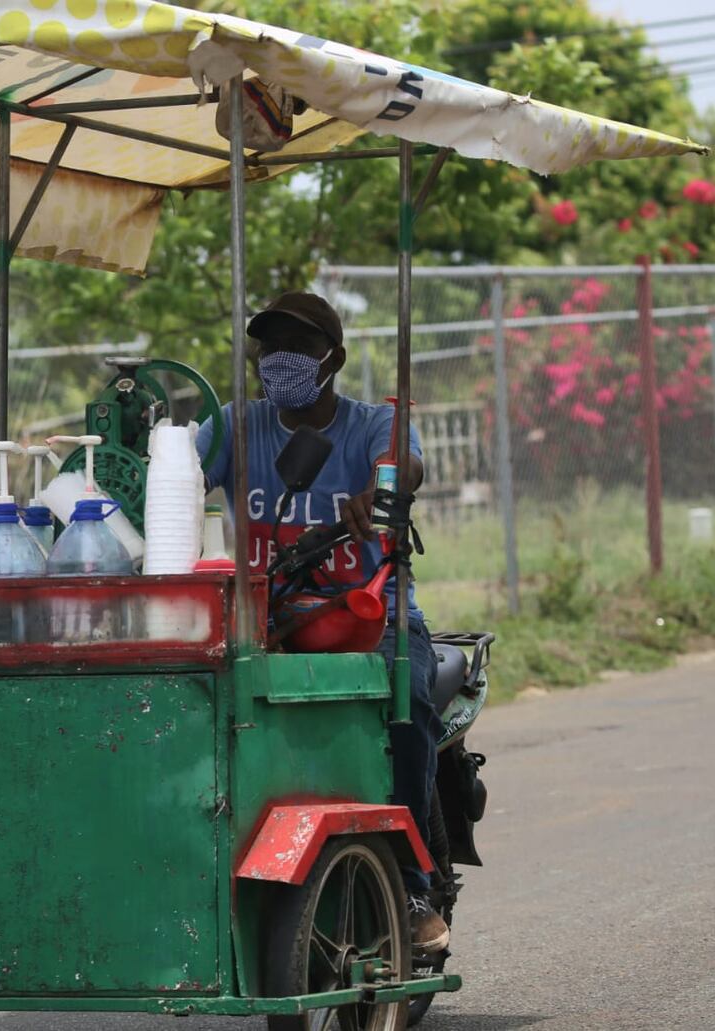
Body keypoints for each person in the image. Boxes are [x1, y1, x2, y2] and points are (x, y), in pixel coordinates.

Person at [195, 291, 449, 953]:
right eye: (269, 346)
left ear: (332, 358)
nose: (279, 359)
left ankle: (412, 884)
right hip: (266, 620)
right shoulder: (237, 426)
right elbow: (178, 481)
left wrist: (383, 489)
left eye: (298, 348)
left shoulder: (371, 425)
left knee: (405, 704)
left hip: (371, 616)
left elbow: (405, 464)